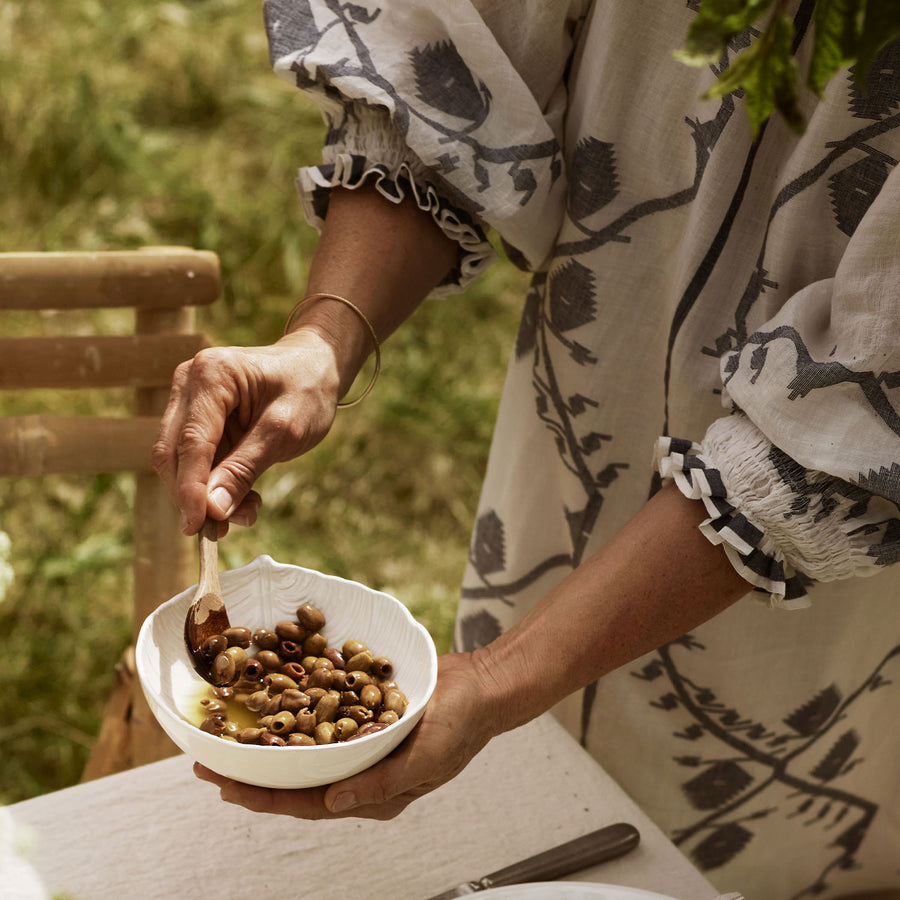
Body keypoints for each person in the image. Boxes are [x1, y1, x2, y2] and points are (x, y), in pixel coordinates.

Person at [153, 2, 900, 897]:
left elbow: (855, 419)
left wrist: (503, 677)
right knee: (539, 789)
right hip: (598, 384)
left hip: (846, 579)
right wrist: (323, 341)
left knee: (793, 826)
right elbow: (461, 56)